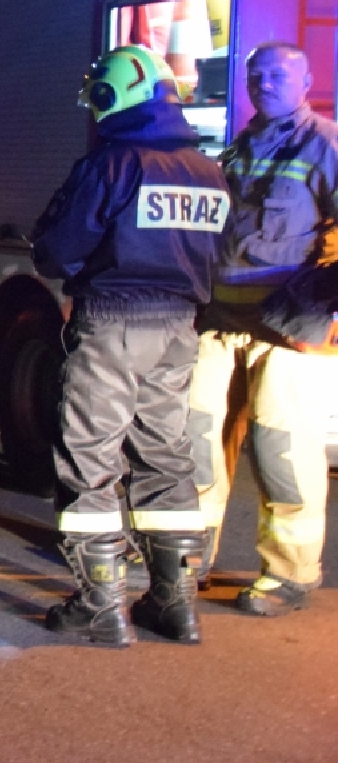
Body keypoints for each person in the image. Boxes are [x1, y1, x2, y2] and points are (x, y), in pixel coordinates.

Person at [30, 46, 226, 646]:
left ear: (116, 95)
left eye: (99, 97)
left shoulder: (113, 163)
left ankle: (101, 605)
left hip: (113, 323)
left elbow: (58, 250)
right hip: (179, 328)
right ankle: (175, 603)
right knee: (165, 457)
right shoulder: (207, 169)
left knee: (89, 460)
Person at [191, 41, 338, 617]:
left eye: (278, 74)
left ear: (306, 81)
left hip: (288, 331)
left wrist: (320, 308)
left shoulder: (325, 143)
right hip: (222, 323)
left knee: (283, 454)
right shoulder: (240, 147)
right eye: (256, 76)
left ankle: (289, 574)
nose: (265, 84)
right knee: (196, 442)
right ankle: (186, 557)